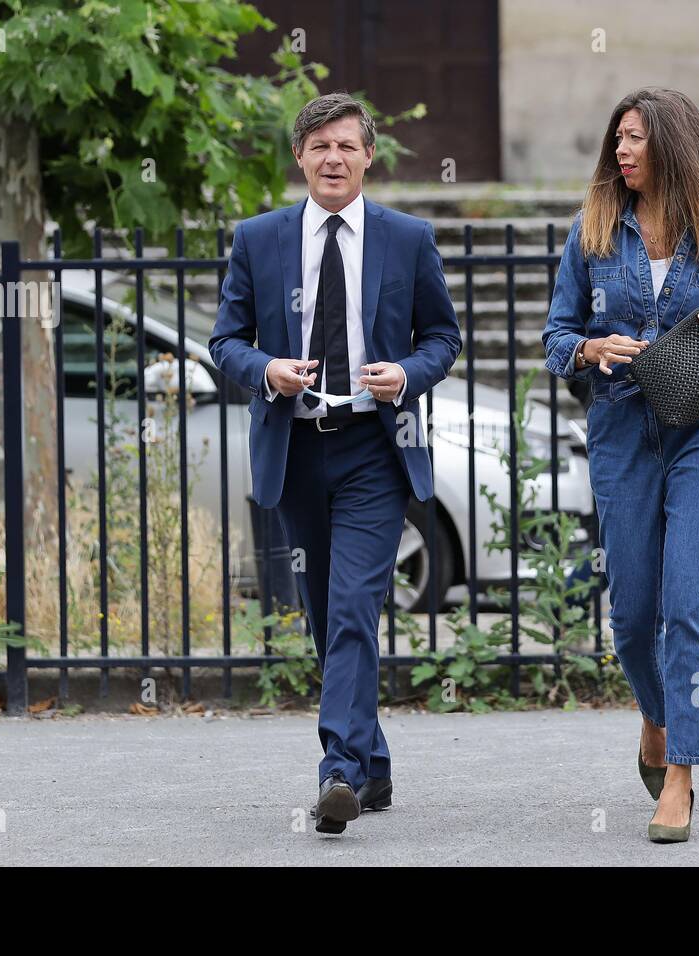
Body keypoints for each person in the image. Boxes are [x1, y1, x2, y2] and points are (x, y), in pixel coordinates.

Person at [208, 92, 462, 835]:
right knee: (324, 615)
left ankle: (338, 772)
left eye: (347, 147)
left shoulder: (406, 238)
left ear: (368, 157)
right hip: (295, 447)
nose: (333, 159)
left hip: (372, 451)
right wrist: (267, 370)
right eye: (319, 147)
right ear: (300, 158)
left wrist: (408, 374)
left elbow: (442, 337)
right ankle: (374, 763)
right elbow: (226, 341)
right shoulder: (260, 240)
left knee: (354, 608)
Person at [541, 88, 699, 844]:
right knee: (634, 611)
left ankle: (681, 771)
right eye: (618, 138)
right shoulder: (591, 233)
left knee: (688, 602)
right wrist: (590, 348)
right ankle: (654, 713)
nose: (622, 150)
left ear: (672, 145)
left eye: (636, 138)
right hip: (620, 431)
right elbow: (554, 337)